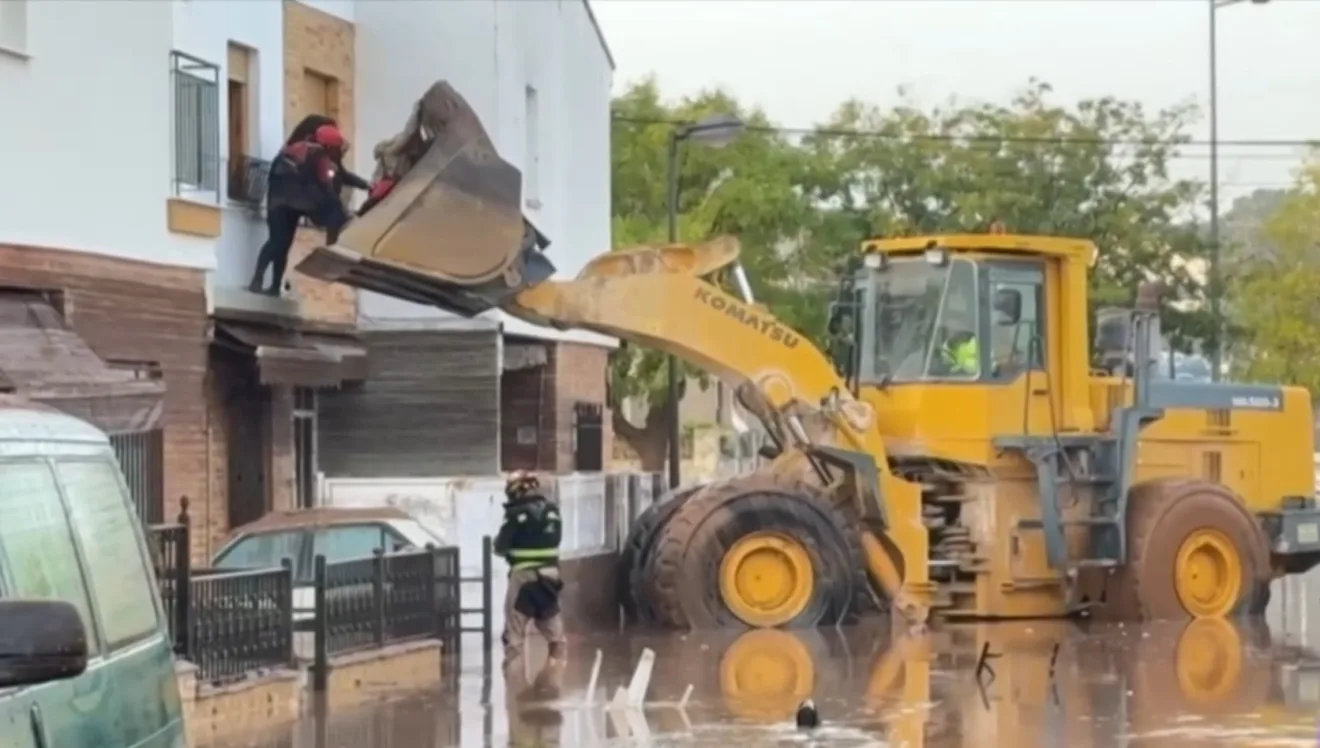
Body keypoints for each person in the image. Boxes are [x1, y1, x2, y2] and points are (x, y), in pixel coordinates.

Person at [247, 121, 368, 296]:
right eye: (336, 148)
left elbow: (341, 175)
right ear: (329, 146)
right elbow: (327, 183)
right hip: (287, 204)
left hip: (283, 204)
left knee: (279, 243)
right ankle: (331, 247)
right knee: (279, 242)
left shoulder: (302, 150)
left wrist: (364, 184)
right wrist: (336, 207)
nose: (339, 152)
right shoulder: (319, 156)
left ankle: (270, 285)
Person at [493, 470, 567, 667]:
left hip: (523, 578)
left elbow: (500, 547)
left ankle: (514, 684)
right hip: (550, 577)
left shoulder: (514, 515)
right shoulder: (554, 512)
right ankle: (555, 676)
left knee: (514, 632)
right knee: (553, 628)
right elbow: (556, 540)